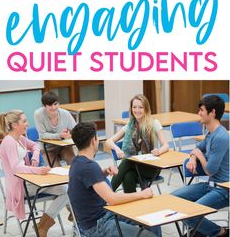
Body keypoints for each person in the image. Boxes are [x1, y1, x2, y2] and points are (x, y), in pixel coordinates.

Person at [68, 122, 161, 237]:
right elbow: (113, 199)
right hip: (98, 225)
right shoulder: (89, 167)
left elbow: (88, 180)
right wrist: (142, 194)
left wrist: (103, 173)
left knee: (152, 215)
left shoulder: (77, 161)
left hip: (102, 216)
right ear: (93, 141)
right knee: (148, 236)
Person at [0, 110, 70, 237]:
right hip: (21, 186)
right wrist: (38, 170)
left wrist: (35, 158)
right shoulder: (9, 142)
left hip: (30, 180)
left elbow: (35, 146)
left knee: (67, 189)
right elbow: (16, 168)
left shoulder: (19, 138)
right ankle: (44, 226)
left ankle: (42, 225)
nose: (27, 124)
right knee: (66, 189)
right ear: (15, 125)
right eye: (24, 121)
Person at [172, 95, 229, 237]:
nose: (199, 113)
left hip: (224, 191)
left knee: (190, 215)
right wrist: (192, 158)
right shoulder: (211, 133)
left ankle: (220, 232)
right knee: (172, 200)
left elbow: (210, 170)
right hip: (209, 186)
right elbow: (196, 148)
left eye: (201, 110)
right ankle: (200, 232)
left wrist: (200, 156)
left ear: (212, 113)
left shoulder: (221, 137)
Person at [106, 94, 169, 192]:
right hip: (135, 167)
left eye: (140, 107)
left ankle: (107, 194)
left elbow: (166, 145)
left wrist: (159, 151)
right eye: (134, 107)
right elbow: (109, 141)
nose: (137, 110)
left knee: (127, 161)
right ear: (131, 109)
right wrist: (117, 149)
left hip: (151, 167)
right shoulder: (130, 125)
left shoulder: (154, 123)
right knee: (128, 176)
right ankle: (132, 204)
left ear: (146, 109)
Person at [34, 91, 76, 166]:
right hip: (47, 149)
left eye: (55, 104)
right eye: (50, 105)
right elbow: (43, 135)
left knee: (74, 164)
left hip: (64, 146)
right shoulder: (38, 114)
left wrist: (71, 134)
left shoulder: (65, 113)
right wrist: (59, 135)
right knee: (56, 171)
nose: (53, 107)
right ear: (44, 106)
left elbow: (76, 129)